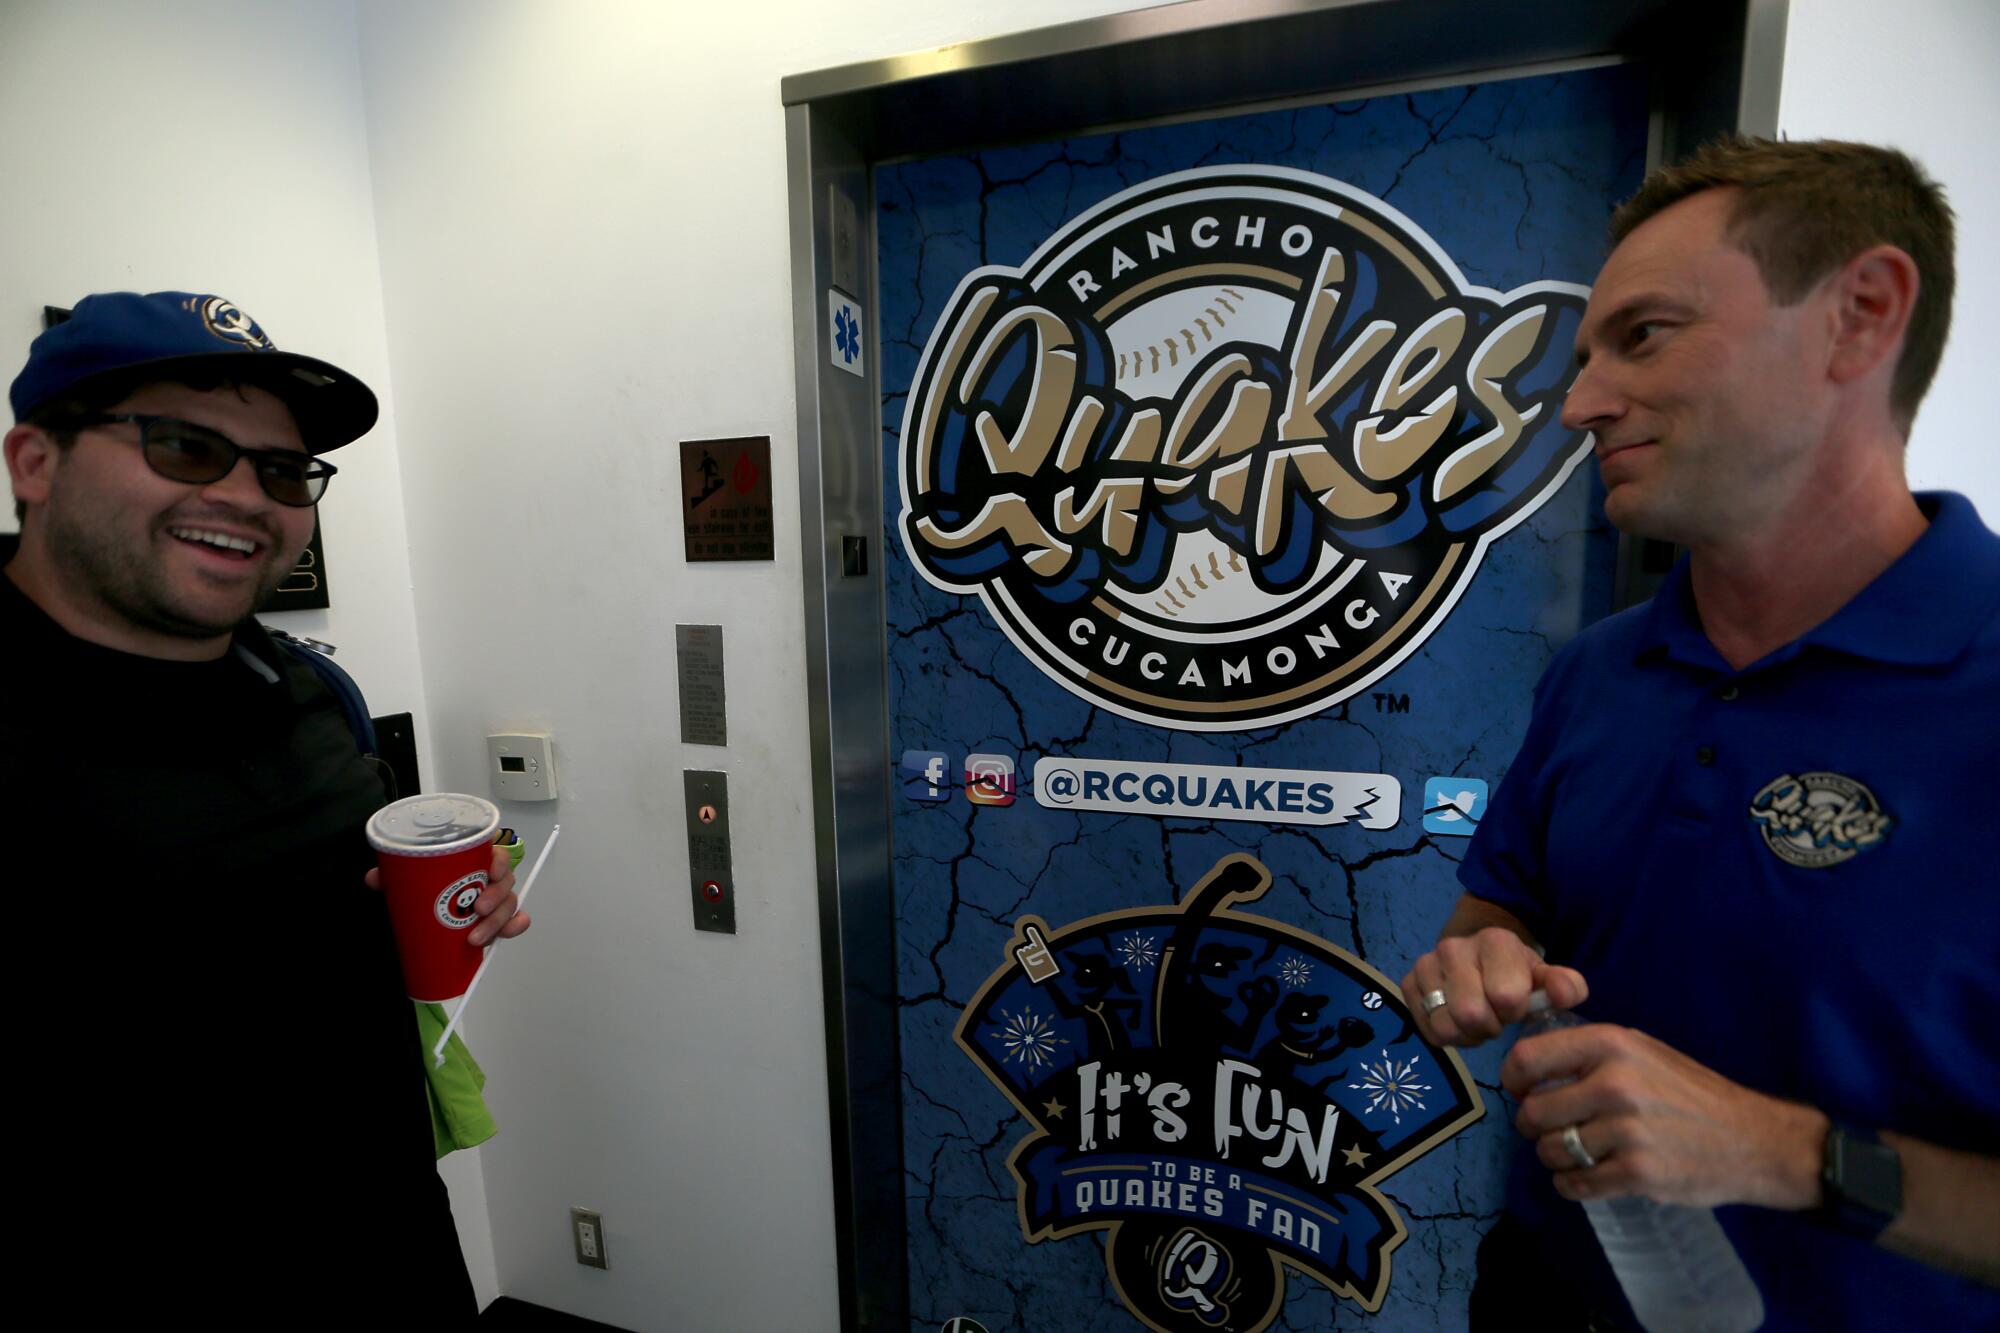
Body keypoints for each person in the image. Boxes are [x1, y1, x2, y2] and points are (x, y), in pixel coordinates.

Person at [1398, 139, 2000, 1329]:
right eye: (1581, 360)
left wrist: (1780, 1151)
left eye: (1643, 335)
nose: (1575, 406)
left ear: (1858, 316)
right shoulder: (1596, 673)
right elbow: (1497, 911)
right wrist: (1481, 958)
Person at [3, 292, 528, 1322]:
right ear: (36, 463)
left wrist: (447, 912)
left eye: (284, 470)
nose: (250, 495)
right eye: (187, 445)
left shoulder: (307, 690)